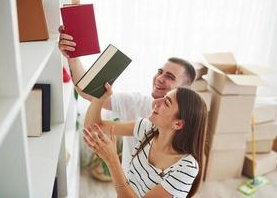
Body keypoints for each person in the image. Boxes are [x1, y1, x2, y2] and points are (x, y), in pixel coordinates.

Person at [58, 26, 196, 175]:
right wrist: (72, 58)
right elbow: (89, 93)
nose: (160, 78)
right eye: (160, 72)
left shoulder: (186, 133)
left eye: (170, 76)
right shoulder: (138, 107)